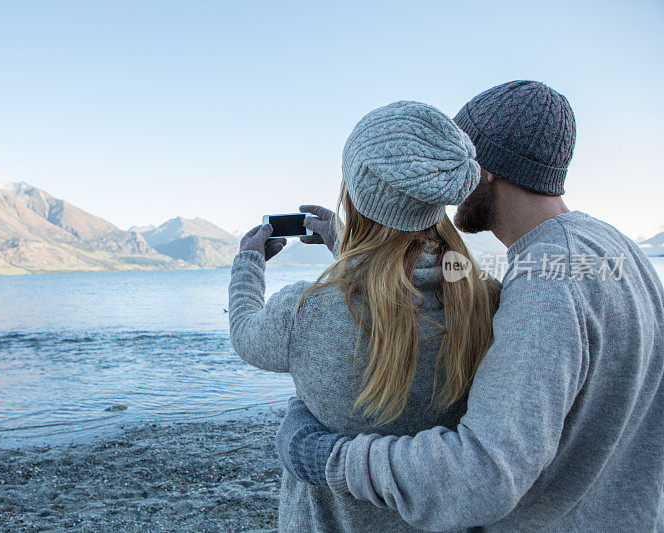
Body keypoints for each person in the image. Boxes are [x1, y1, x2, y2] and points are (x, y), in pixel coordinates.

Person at [276, 81, 664, 531]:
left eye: (451, 163)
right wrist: (352, 245)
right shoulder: (611, 248)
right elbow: (463, 282)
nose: (439, 182)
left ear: (484, 171)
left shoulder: (543, 288)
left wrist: (326, 456)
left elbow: (479, 479)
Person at [228, 101, 500, 532]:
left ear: (355, 196)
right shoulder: (483, 299)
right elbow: (402, 290)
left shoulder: (306, 310)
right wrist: (345, 246)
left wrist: (248, 263)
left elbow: (246, 335)